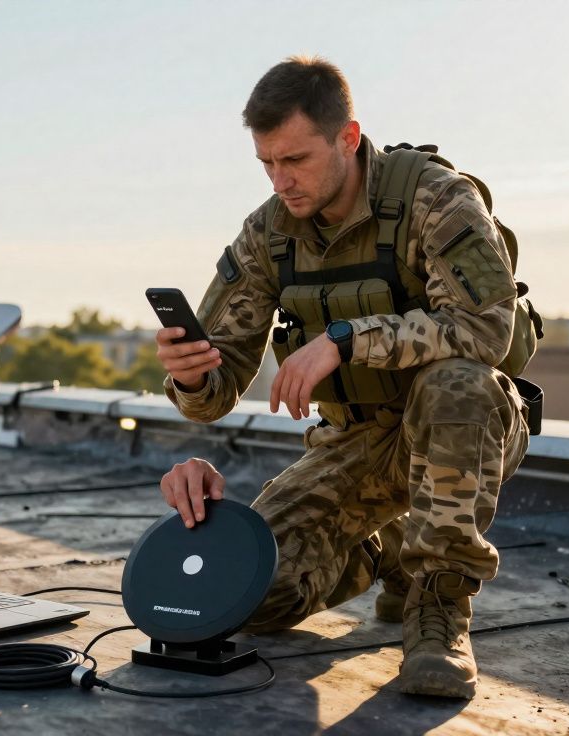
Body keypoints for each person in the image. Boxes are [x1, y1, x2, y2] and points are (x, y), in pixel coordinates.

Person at [153, 56, 530, 699]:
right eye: (267, 163)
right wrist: (192, 377)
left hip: (456, 426)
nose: (281, 181)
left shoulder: (436, 198)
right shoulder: (269, 233)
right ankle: (391, 552)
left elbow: (486, 330)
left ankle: (439, 610)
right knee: (251, 597)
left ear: (348, 138)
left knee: (456, 384)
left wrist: (347, 340)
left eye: (295, 160)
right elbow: (214, 397)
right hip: (352, 441)